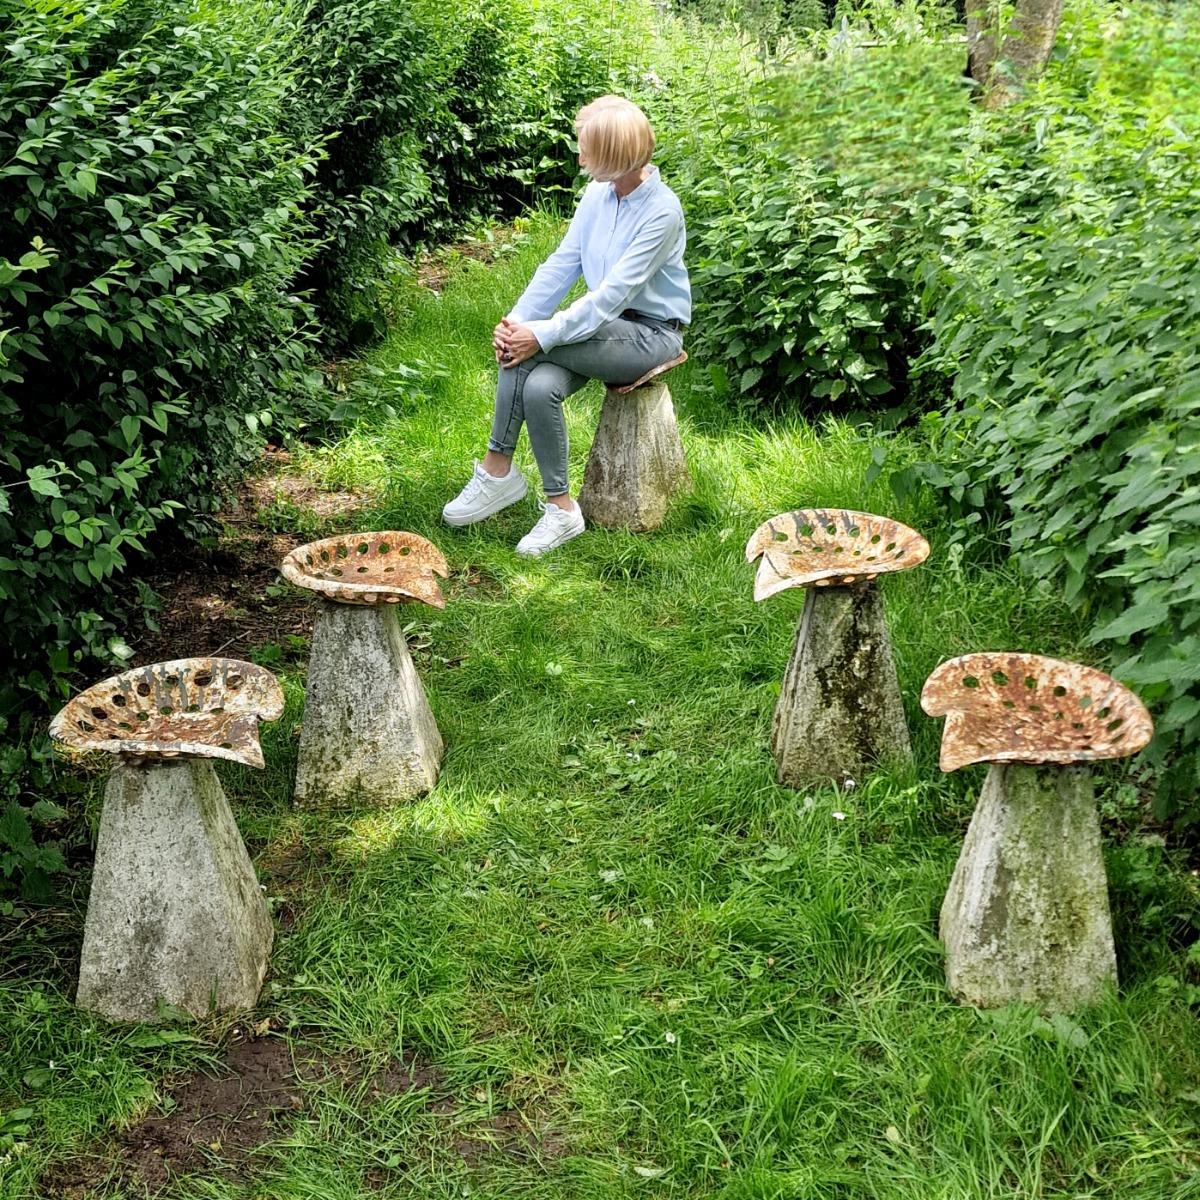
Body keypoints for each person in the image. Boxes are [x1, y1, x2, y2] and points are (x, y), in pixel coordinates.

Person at [441, 95, 691, 556]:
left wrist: (538, 334)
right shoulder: (598, 194)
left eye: (586, 149)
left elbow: (612, 295)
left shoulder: (662, 213)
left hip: (650, 335)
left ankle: (497, 470)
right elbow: (563, 265)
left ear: (614, 155)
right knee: (536, 385)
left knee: (528, 347)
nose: (579, 157)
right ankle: (562, 509)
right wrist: (517, 320)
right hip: (604, 326)